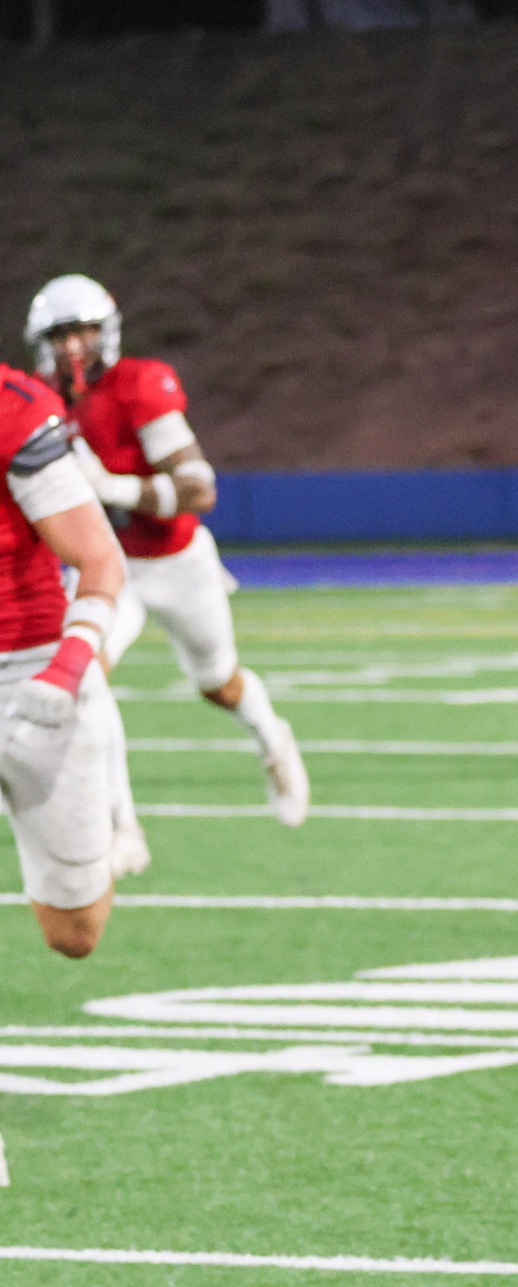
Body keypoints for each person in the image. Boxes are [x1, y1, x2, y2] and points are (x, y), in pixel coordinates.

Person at [26, 274, 308, 871]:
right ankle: (121, 826)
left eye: (80, 333)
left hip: (178, 560)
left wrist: (114, 488)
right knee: (86, 677)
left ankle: (272, 738)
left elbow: (198, 488)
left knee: (219, 683)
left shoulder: (140, 384)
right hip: (111, 563)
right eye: (59, 336)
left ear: (106, 332)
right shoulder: (42, 405)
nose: (72, 348)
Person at [0, 359, 130, 957]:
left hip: (30, 673)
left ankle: (115, 816)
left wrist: (69, 666)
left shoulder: (12, 408)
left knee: (74, 935)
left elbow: (101, 558)